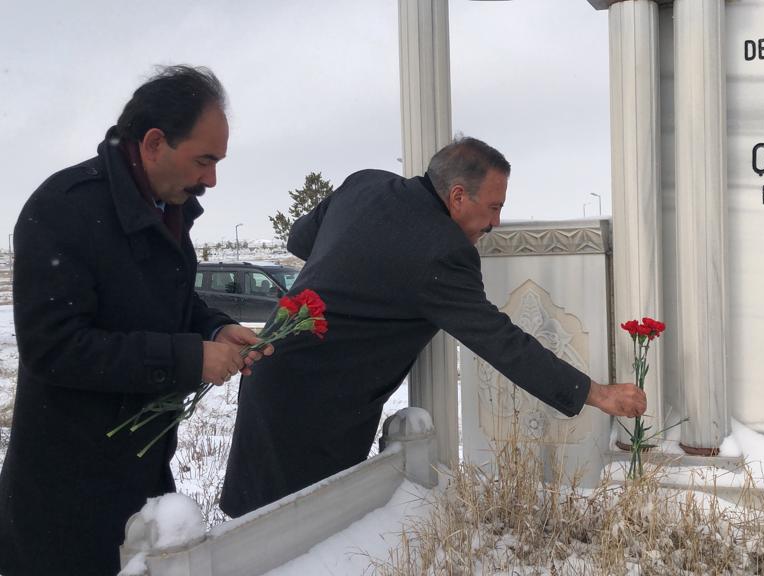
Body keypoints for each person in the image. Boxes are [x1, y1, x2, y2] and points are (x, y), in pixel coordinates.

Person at [221, 137, 647, 517]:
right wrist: (597, 393)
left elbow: (300, 239)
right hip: (316, 411)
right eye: (494, 207)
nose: (497, 222)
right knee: (296, 534)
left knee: (254, 531)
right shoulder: (441, 254)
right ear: (458, 196)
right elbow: (501, 342)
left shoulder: (364, 184)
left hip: (269, 369)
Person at [0, 65, 271, 576]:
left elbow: (166, 305)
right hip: (65, 487)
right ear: (152, 143)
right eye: (204, 160)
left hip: (142, 469)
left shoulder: (168, 209)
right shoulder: (62, 211)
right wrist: (189, 358)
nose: (211, 179)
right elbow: (54, 348)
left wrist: (213, 327)